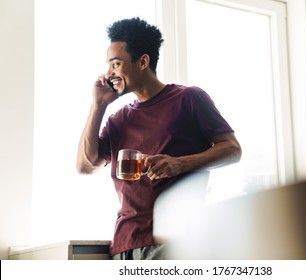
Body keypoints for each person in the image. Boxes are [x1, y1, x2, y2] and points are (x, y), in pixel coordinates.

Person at [76, 17, 242, 260]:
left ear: (143, 61)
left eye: (116, 64)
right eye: (108, 65)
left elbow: (232, 150)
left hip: (176, 242)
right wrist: (98, 105)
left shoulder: (189, 99)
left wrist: (179, 163)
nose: (108, 73)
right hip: (124, 245)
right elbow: (85, 165)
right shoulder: (118, 119)